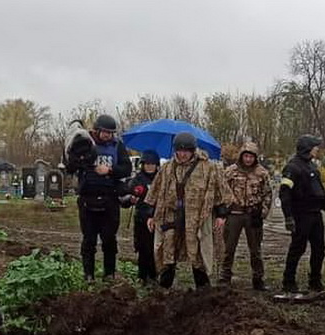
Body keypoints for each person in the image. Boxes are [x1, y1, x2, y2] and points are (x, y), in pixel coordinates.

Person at [145, 133, 230, 289]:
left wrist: (221, 214)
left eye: (186, 151)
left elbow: (219, 192)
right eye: (179, 150)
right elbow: (155, 192)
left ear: (193, 150)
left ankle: (203, 290)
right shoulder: (167, 168)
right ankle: (164, 289)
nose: (182, 154)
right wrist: (150, 214)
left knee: (197, 252)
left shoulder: (208, 168)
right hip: (171, 217)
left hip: (196, 218)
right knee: (168, 251)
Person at [65, 114, 132, 281]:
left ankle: (109, 273)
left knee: (109, 239)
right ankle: (89, 274)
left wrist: (109, 170)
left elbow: (126, 169)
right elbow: (69, 168)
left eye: (111, 133)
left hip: (110, 198)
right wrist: (80, 160)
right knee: (89, 239)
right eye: (105, 132)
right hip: (88, 197)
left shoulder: (118, 146)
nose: (108, 135)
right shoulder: (83, 143)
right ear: (96, 131)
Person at [279, 135, 325, 294]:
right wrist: (288, 217)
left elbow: (317, 188)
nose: (317, 149)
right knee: (297, 248)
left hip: (315, 214)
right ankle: (289, 281)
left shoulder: (312, 166)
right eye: (315, 146)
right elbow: (285, 193)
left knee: (319, 249)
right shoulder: (292, 167)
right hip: (301, 215)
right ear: (307, 148)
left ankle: (315, 281)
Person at [220, 141, 273, 291]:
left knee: (255, 249)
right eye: (246, 156)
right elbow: (223, 190)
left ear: (255, 158)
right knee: (228, 248)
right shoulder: (231, 171)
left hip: (253, 215)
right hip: (234, 214)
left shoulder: (262, 173)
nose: (248, 159)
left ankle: (258, 279)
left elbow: (267, 194)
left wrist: (262, 213)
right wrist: (224, 209)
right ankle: (225, 277)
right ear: (241, 156)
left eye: (251, 157)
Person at [122, 150, 160, 284]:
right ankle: (142, 276)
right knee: (143, 248)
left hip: (158, 218)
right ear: (142, 165)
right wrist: (129, 199)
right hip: (141, 219)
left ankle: (154, 274)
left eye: (152, 164)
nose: (150, 167)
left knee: (156, 249)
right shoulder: (137, 180)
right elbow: (125, 197)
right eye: (147, 164)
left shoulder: (161, 179)